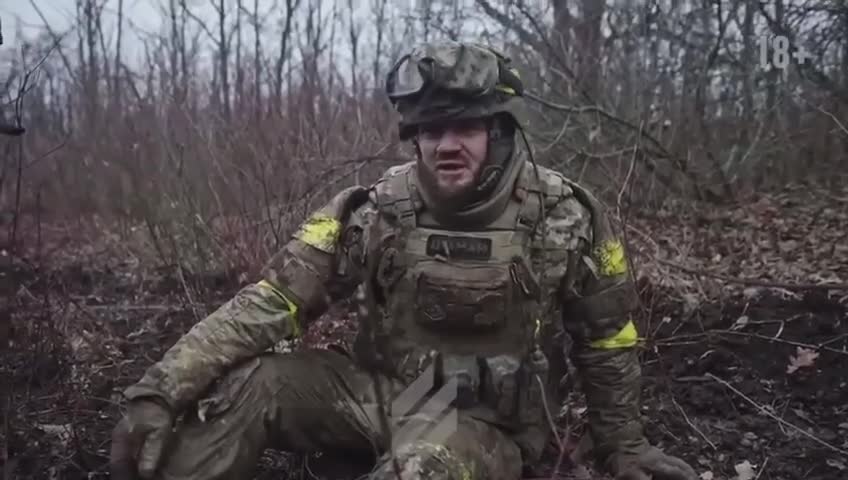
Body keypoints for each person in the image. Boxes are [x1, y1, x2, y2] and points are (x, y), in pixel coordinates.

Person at [109, 41, 698, 480]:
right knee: (254, 385)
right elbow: (274, 300)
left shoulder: (567, 215)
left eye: (464, 126)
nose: (447, 145)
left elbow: (608, 337)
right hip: (383, 396)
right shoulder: (373, 211)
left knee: (423, 465)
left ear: (497, 130)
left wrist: (623, 447)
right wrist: (161, 389)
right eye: (431, 128)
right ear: (413, 135)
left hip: (484, 428)